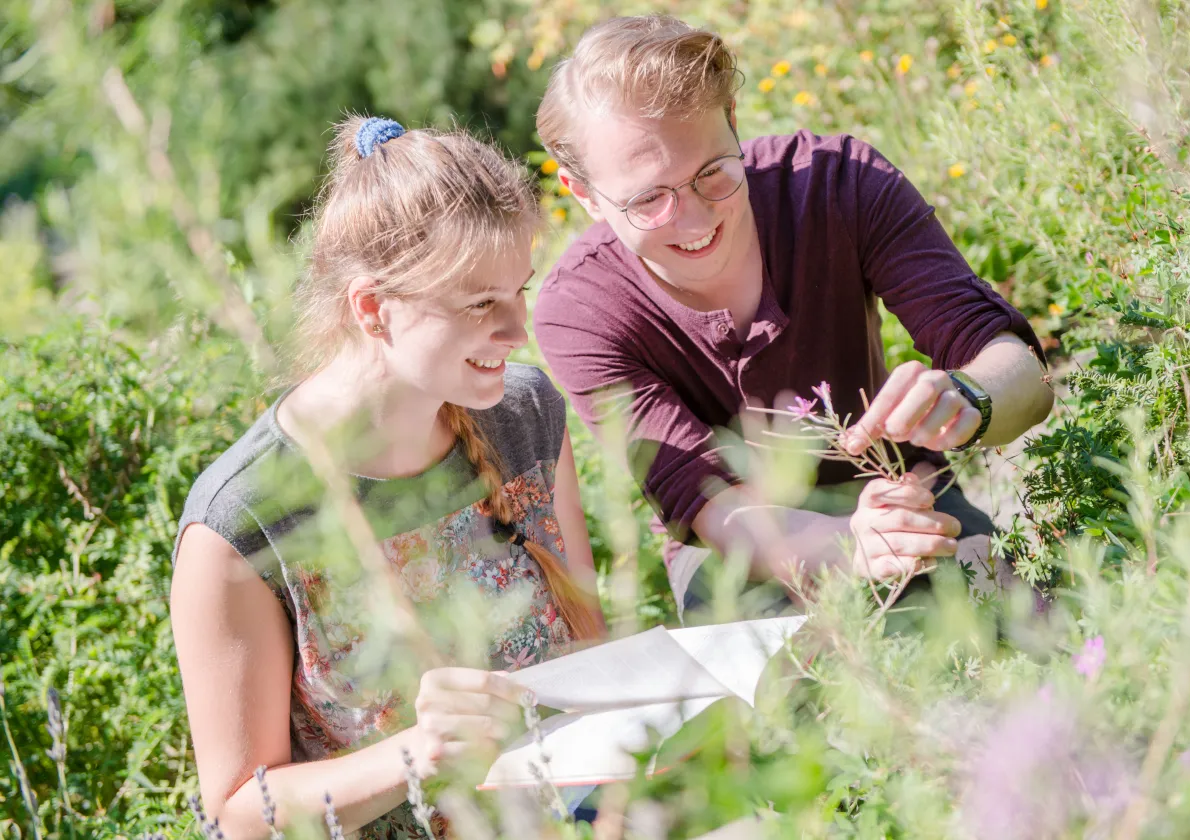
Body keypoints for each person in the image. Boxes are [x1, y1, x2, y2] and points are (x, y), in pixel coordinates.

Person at [532, 16, 1054, 618]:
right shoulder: (581, 310)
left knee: (1023, 635)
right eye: (649, 199)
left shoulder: (840, 183)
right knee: (790, 674)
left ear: (733, 119)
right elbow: (704, 501)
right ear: (584, 194)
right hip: (736, 547)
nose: (695, 220)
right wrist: (848, 543)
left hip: (895, 494)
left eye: (712, 173)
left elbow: (1022, 371)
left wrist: (970, 397)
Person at [170, 116, 604, 838]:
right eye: (480, 303)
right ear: (373, 309)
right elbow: (239, 812)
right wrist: (418, 755)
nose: (516, 330)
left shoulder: (524, 412)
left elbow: (589, 652)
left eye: (518, 292)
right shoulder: (240, 521)